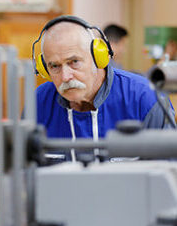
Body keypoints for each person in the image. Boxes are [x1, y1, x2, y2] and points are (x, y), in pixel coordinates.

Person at [31, 15, 175, 162]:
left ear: (98, 57)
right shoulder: (38, 102)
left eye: (74, 62)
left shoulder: (146, 98)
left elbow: (170, 174)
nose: (65, 76)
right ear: (44, 68)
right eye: (54, 66)